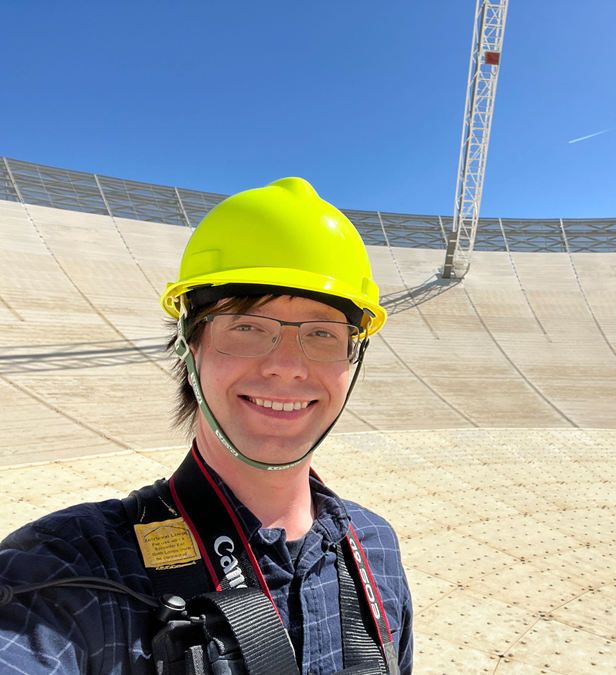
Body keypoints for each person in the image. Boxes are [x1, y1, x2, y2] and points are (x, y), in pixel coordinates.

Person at [0, 177, 413, 674]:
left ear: (353, 357)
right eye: (246, 326)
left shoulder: (375, 549)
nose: (286, 366)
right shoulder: (69, 570)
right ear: (188, 346)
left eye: (323, 333)